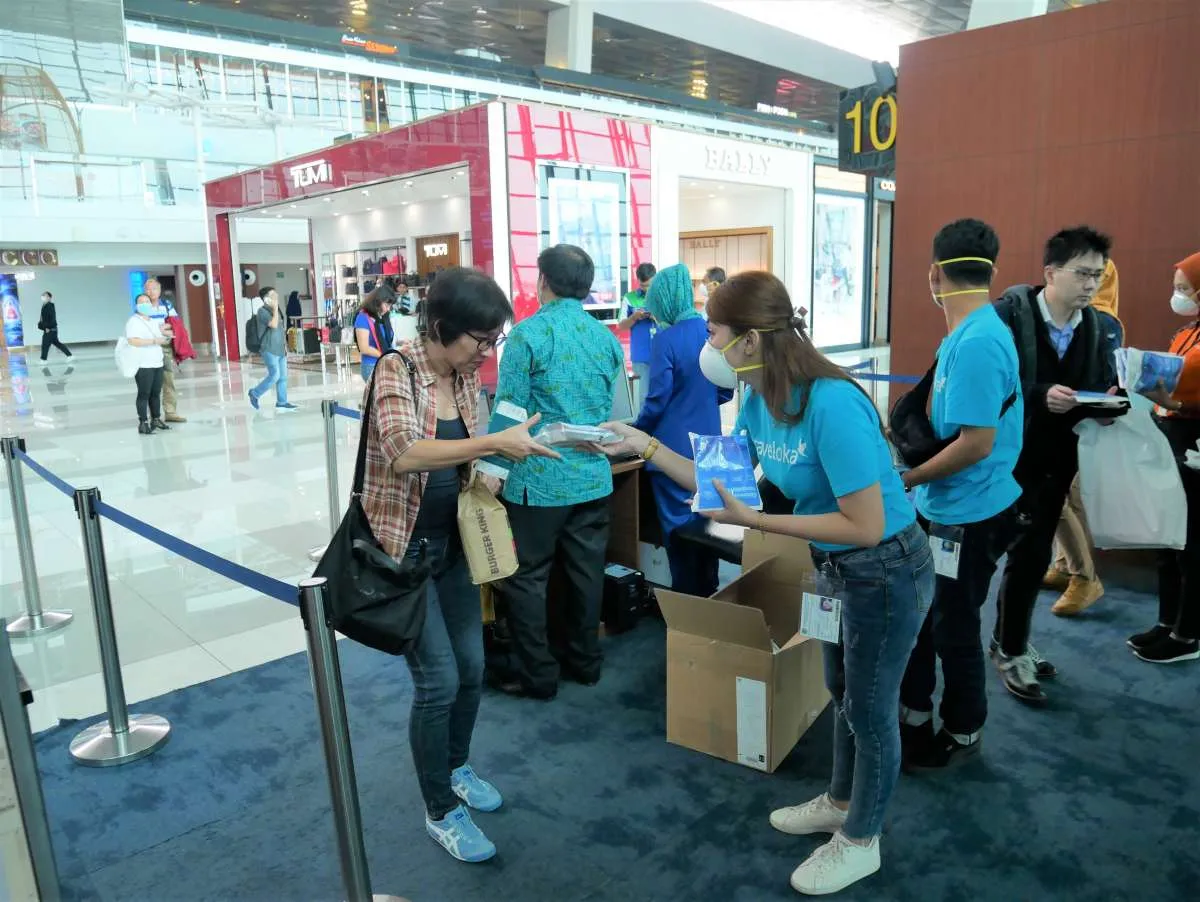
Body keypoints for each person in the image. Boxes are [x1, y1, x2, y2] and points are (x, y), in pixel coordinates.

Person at [603, 271, 933, 896]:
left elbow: (864, 524)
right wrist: (643, 444)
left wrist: (756, 520)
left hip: (885, 569)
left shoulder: (831, 404)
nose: (707, 345)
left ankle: (862, 840)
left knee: (870, 708)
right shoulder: (757, 399)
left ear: (750, 340)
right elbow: (717, 482)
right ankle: (840, 801)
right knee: (843, 691)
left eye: (715, 333)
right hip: (836, 567)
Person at [359, 266, 558, 863]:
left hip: (452, 550)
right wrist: (494, 444)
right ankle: (439, 807)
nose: (486, 351)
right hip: (405, 556)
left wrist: (498, 466)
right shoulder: (398, 369)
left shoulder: (466, 379)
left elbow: (467, 463)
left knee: (472, 669)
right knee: (438, 680)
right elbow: (403, 454)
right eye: (479, 339)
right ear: (442, 327)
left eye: (493, 339)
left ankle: (456, 767)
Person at [896, 219, 1024, 770]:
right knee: (927, 613)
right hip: (946, 504)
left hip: (971, 509)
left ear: (934, 275)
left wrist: (910, 478)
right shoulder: (967, 333)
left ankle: (965, 725)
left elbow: (975, 444)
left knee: (953, 622)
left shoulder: (979, 342)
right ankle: (915, 711)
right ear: (992, 273)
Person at [990, 226, 1125, 704]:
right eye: (1082, 273)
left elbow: (1100, 386)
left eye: (1098, 275)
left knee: (1031, 559)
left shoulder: (1103, 329)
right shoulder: (1006, 317)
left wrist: (1109, 402)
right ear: (1050, 272)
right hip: (998, 460)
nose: (1091, 285)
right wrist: (1037, 395)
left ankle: (1009, 644)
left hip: (1055, 464)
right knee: (977, 561)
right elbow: (982, 385)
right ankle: (990, 645)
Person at [492, 245, 624, 700]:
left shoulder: (527, 336)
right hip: (592, 475)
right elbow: (609, 409)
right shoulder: (606, 338)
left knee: (527, 577)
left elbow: (508, 415)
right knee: (586, 573)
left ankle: (538, 675)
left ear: (542, 279)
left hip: (539, 479)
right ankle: (585, 664)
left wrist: (491, 470)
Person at [633, 263, 732, 597]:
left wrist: (637, 431)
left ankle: (689, 615)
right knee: (711, 532)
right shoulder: (711, 331)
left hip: (673, 450)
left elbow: (657, 399)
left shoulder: (666, 339)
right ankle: (713, 601)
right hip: (713, 444)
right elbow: (726, 390)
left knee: (681, 538)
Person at [1127, 250, 1200, 664]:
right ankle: (1166, 621)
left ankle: (1188, 634)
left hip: (1194, 445)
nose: (1177, 296)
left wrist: (1163, 395)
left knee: (1191, 543)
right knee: (1167, 538)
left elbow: (1182, 385)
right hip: (1170, 438)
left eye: (1184, 289)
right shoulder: (1187, 331)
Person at [1044, 258, 1123, 615]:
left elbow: (1104, 378)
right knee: (1070, 500)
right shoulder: (1078, 317)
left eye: (1093, 276)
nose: (1086, 284)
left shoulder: (1102, 321)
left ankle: (1084, 577)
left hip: (1080, 423)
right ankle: (1065, 568)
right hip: (1065, 422)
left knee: (1055, 501)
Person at [125, 293, 173, 435]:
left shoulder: (152, 321)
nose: (145, 304)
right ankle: (143, 422)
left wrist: (165, 335)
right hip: (143, 364)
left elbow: (159, 334)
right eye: (142, 302)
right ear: (137, 305)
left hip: (157, 362)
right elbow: (133, 341)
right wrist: (153, 341)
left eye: (147, 301)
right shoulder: (134, 321)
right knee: (144, 393)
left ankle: (156, 419)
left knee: (155, 393)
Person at [247, 286, 298, 413]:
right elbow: (273, 324)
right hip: (269, 349)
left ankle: (282, 402)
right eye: (273, 295)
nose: (276, 297)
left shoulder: (277, 310)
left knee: (283, 377)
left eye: (276, 295)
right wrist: (275, 308)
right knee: (274, 375)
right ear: (266, 299)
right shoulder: (262, 311)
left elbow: (280, 330)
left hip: (280, 349)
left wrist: (286, 346)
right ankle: (255, 393)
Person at [145, 278, 186, 424]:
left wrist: (162, 328)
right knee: (151, 383)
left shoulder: (166, 305)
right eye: (148, 289)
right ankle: (154, 414)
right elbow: (142, 327)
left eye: (154, 289)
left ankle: (170, 412)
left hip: (165, 347)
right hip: (148, 348)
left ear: (159, 290)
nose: (151, 292)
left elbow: (175, 325)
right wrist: (160, 328)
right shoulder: (142, 306)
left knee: (168, 380)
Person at [619, 262, 657, 413]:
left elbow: (672, 323)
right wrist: (634, 317)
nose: (646, 289)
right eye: (643, 285)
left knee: (663, 394)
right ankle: (644, 433)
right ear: (637, 280)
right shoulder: (629, 298)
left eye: (648, 285)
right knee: (642, 397)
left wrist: (657, 317)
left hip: (663, 354)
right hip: (640, 356)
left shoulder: (662, 297)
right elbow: (621, 326)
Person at [355, 289, 395, 382]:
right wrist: (384, 356)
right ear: (377, 302)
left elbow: (386, 340)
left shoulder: (383, 317)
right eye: (386, 305)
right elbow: (364, 348)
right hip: (372, 366)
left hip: (386, 363)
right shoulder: (363, 318)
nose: (388, 309)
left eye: (390, 306)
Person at [37, 292, 73, 361]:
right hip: (50, 329)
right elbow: (43, 318)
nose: (44, 297)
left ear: (50, 298)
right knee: (57, 343)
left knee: (45, 344)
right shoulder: (44, 305)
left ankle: (43, 360)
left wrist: (48, 327)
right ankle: (69, 356)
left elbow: (52, 318)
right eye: (43, 295)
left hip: (50, 329)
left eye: (46, 296)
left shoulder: (50, 306)